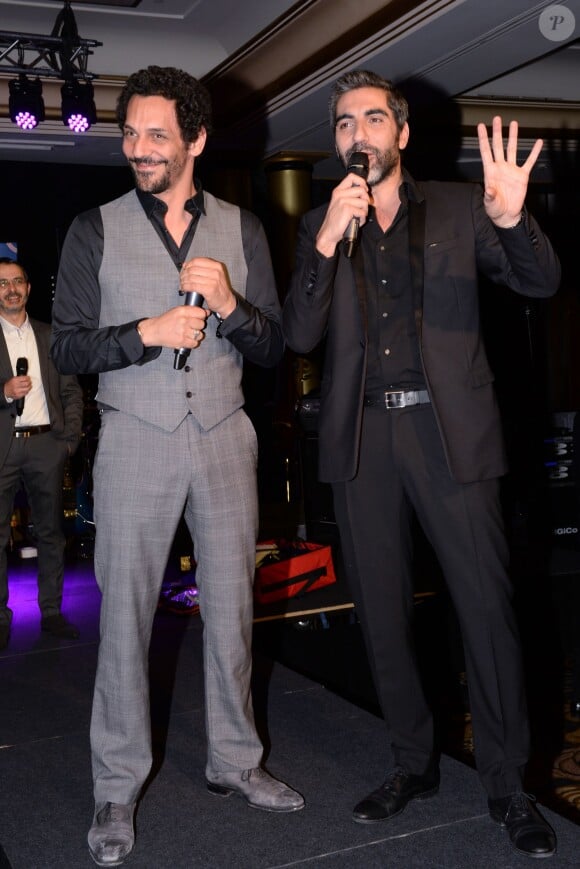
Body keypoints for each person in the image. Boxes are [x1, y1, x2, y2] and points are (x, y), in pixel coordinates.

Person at [283, 69, 560, 859]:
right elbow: (300, 334)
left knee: (487, 614)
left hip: (451, 439)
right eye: (343, 123)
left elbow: (540, 280)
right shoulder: (321, 226)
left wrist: (513, 220)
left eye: (373, 119)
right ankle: (413, 762)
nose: (357, 133)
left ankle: (511, 787)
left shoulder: (459, 207)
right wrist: (329, 239)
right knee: (383, 617)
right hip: (364, 444)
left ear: (401, 134)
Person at [50, 65, 304, 868]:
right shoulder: (92, 227)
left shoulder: (244, 227)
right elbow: (67, 343)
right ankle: (117, 784)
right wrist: (145, 331)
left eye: (156, 134)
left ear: (194, 139)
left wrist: (230, 305)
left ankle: (236, 761)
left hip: (226, 434)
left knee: (231, 609)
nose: (138, 148)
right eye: (129, 133)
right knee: (124, 617)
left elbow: (274, 345)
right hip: (133, 437)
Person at [0, 258, 83, 649]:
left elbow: (71, 391)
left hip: (46, 446)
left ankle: (51, 612)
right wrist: (3, 393)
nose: (11, 289)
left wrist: (68, 441)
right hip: (4, 446)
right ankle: (1, 619)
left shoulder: (50, 336)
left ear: (29, 288)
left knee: (50, 532)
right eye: (2, 283)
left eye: (17, 281)